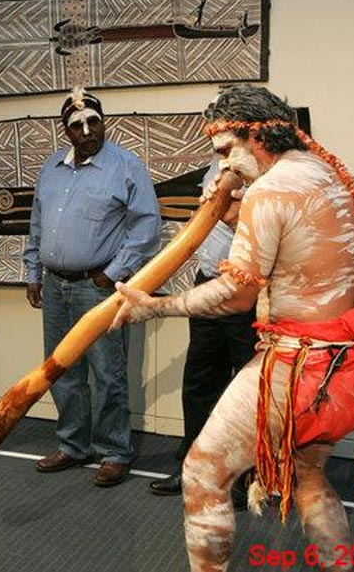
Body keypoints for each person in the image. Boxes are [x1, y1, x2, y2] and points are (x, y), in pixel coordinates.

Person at [110, 85, 354, 570]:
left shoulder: (269, 189)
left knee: (201, 473)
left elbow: (234, 295)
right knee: (308, 479)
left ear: (253, 136)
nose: (223, 169)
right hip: (349, 364)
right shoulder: (331, 174)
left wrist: (155, 306)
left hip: (297, 369)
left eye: (226, 152)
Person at [23, 86, 161, 487]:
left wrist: (116, 270)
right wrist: (34, 272)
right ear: (66, 132)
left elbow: (147, 226)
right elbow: (36, 223)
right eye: (77, 125)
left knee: (107, 372)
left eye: (93, 121)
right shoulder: (51, 168)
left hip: (97, 288)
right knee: (61, 368)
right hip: (55, 287)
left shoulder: (126, 166)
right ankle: (73, 445)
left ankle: (114, 451)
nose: (87, 130)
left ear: (104, 122)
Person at [149, 155, 258, 510]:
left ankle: (246, 481)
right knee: (199, 381)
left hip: (245, 289)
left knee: (245, 390)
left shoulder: (268, 167)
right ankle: (193, 470)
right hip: (207, 281)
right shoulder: (216, 164)